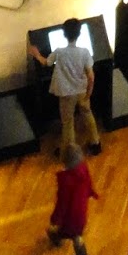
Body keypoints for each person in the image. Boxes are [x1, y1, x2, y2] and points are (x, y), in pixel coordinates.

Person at [30, 18, 101, 158]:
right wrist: (89, 93)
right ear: (79, 33)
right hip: (82, 91)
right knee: (88, 114)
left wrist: (37, 54)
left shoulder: (59, 52)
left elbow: (46, 62)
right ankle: (95, 143)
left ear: (64, 34)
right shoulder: (85, 52)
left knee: (68, 121)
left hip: (66, 93)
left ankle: (70, 150)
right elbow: (91, 76)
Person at [48, 142, 98, 255]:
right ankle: (59, 238)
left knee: (73, 234)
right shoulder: (83, 169)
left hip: (71, 215)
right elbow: (88, 183)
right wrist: (91, 192)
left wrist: (55, 218)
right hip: (81, 211)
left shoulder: (66, 180)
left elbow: (62, 203)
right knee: (76, 232)